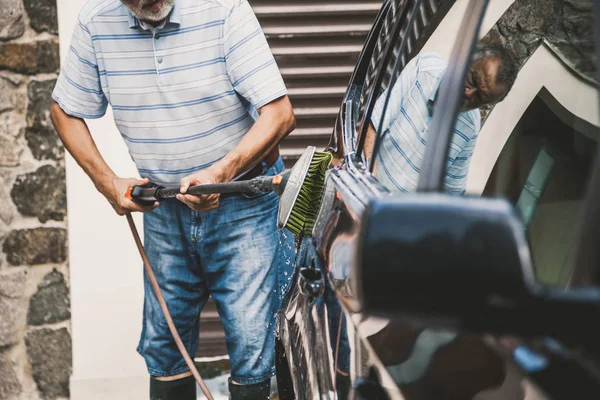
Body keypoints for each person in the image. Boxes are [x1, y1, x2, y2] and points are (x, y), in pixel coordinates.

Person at [49, 0, 296, 398]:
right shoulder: (96, 24)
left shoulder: (224, 10)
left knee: (254, 350)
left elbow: (279, 114)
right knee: (164, 348)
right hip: (163, 210)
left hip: (242, 205)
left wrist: (220, 174)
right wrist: (107, 183)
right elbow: (64, 111)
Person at [364, 44, 518, 194]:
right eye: (473, 79)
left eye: (479, 97)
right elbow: (371, 127)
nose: (468, 93)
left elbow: (451, 194)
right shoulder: (425, 68)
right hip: (364, 185)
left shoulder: (470, 126)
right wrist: (372, 189)